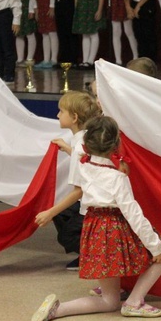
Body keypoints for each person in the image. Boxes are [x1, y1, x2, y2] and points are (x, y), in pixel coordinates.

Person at [31, 116, 161, 321]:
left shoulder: (85, 166)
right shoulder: (117, 178)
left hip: (94, 228)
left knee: (109, 301)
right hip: (115, 228)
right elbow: (132, 213)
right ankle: (134, 301)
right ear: (116, 144)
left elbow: (84, 158)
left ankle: (59, 309)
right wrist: (155, 246)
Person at [46, 91, 102, 270]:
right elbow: (86, 160)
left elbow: (79, 190)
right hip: (90, 198)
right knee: (62, 215)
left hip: (93, 203)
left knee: (66, 236)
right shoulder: (84, 139)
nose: (58, 115)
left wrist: (49, 212)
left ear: (74, 117)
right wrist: (68, 149)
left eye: (61, 111)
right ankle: (89, 248)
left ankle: (95, 254)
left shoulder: (80, 145)